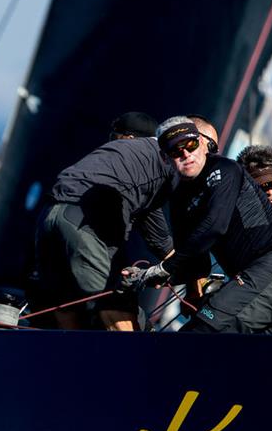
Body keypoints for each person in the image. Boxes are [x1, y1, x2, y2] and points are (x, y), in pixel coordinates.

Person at [122, 116, 272, 333]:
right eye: (176, 150)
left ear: (203, 145)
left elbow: (214, 226)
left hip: (266, 268)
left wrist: (164, 269)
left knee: (203, 331)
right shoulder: (178, 196)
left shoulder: (225, 169)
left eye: (191, 144)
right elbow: (196, 264)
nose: (186, 153)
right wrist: (144, 277)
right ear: (165, 158)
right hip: (253, 277)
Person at [33, 111, 175, 331]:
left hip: (49, 216)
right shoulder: (153, 159)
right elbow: (162, 239)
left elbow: (158, 234)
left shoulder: (113, 162)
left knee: (65, 307)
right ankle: (131, 365)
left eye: (115, 137)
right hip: (85, 221)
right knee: (113, 303)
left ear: (129, 139)